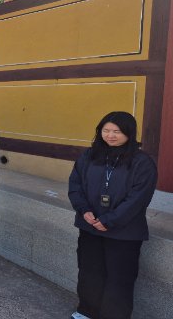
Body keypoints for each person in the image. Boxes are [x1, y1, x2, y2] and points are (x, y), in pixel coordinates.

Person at [68, 112, 157, 319]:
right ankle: (86, 311)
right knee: (89, 271)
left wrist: (110, 220)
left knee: (119, 278)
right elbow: (75, 184)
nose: (110, 135)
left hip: (124, 232)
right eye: (106, 130)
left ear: (129, 133)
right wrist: (84, 210)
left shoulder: (142, 162)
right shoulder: (89, 155)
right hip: (90, 226)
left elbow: (138, 198)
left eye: (117, 131)